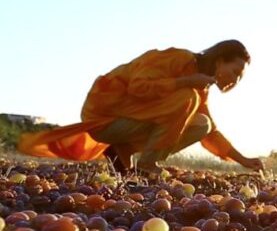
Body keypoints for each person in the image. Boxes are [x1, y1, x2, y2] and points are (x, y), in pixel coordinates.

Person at [18, 40, 264, 174]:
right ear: (220, 61)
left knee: (202, 124)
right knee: (187, 99)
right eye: (235, 72)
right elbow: (138, 86)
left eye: (240, 78)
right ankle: (146, 165)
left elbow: (210, 133)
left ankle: (122, 150)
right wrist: (185, 82)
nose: (235, 81)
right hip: (106, 114)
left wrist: (243, 160)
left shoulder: (201, 88)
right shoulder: (179, 60)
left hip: (130, 121)